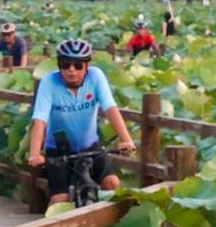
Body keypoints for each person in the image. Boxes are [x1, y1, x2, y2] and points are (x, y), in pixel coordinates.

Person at [26, 39, 137, 204]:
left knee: (112, 184)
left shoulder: (96, 76)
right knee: (59, 200)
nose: (71, 70)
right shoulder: (49, 82)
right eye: (65, 65)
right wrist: (35, 153)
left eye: (78, 65)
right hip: (58, 149)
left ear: (87, 66)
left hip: (90, 145)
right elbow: (40, 120)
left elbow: (110, 108)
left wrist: (126, 139)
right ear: (59, 66)